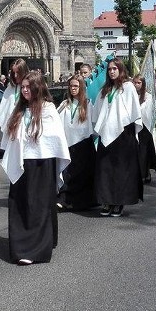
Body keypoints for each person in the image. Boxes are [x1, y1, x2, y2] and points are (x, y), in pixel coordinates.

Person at [1, 71, 71, 265]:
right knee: (20, 204)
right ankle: (20, 246)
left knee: (38, 206)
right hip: (21, 162)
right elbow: (11, 135)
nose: (24, 90)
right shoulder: (20, 110)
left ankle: (35, 250)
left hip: (41, 162)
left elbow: (54, 137)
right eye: (22, 87)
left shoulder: (48, 109)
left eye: (28, 87)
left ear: (37, 87)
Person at [92, 58, 142, 217]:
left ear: (121, 70)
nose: (112, 71)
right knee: (105, 169)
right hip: (106, 134)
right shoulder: (103, 90)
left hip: (123, 134)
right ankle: (107, 200)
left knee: (121, 170)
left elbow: (134, 111)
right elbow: (97, 112)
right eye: (109, 69)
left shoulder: (128, 87)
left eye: (115, 68)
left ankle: (119, 202)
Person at [56, 75, 97, 210]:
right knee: (67, 173)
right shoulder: (64, 104)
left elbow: (93, 122)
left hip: (83, 143)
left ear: (81, 87)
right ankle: (64, 198)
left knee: (82, 174)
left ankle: (82, 201)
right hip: (68, 143)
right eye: (71, 86)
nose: (73, 89)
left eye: (76, 86)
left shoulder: (88, 104)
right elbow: (56, 120)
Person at [0, 59, 29, 153]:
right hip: (11, 129)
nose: (15, 76)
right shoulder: (10, 88)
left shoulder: (29, 87)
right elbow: (4, 109)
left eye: (18, 73)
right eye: (13, 73)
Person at [133, 76, 156, 184]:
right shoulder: (131, 96)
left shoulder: (148, 97)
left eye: (139, 82)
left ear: (143, 84)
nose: (136, 85)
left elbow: (151, 111)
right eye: (134, 82)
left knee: (144, 151)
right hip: (134, 126)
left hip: (145, 127)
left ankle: (144, 173)